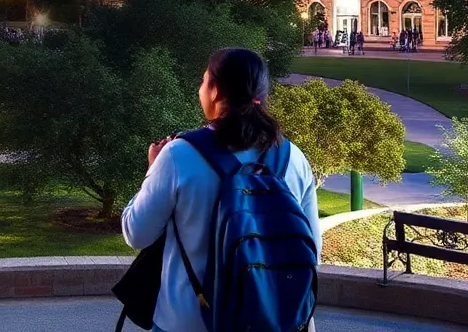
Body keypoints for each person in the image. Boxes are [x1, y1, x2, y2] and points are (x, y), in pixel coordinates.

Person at [121, 48, 321, 332]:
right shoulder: (293, 158)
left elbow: (136, 233)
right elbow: (313, 248)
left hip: (188, 322)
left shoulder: (179, 155)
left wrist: (152, 170)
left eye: (204, 81)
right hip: (278, 323)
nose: (200, 89)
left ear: (215, 92)